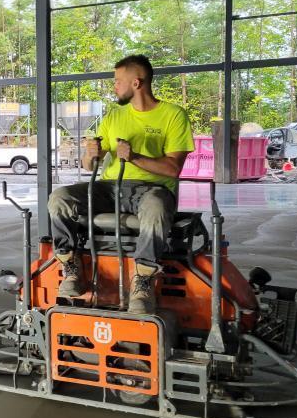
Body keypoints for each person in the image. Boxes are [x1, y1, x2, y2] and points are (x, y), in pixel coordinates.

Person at [47, 55, 194, 314]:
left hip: (151, 189)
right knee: (60, 197)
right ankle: (70, 266)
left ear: (136, 83)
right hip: (109, 187)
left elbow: (173, 169)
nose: (113, 86)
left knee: (157, 206)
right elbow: (89, 168)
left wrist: (135, 157)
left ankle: (144, 280)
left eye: (117, 81)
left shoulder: (173, 115)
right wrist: (90, 155)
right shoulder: (114, 117)